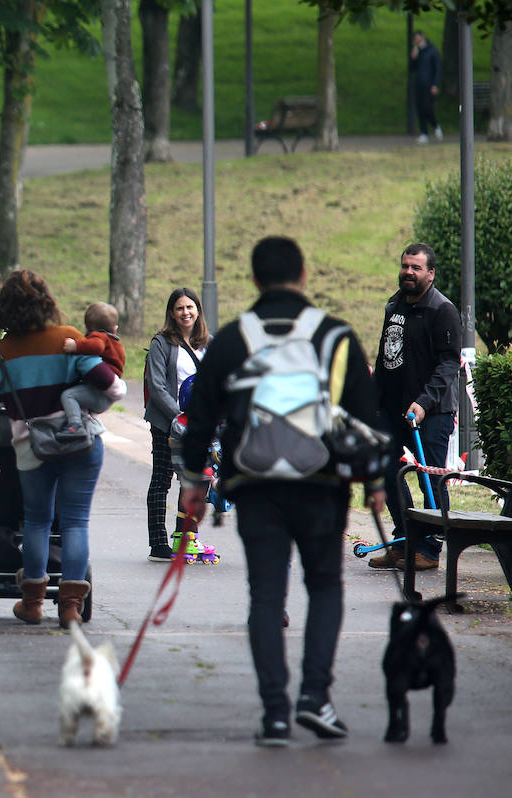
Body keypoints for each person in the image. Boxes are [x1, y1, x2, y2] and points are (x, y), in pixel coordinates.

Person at [179, 236, 384, 747]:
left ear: (254, 279)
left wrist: (194, 485)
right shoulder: (335, 335)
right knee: (325, 586)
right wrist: (376, 482)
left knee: (266, 597)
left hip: (255, 487)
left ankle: (274, 714)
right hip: (322, 485)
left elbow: (200, 418)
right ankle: (315, 697)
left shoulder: (232, 338)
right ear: (303, 274)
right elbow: (367, 415)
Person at [0, 270, 122, 628]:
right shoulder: (67, 338)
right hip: (79, 444)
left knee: (36, 521)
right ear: (46, 302)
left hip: (31, 447)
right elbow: (110, 385)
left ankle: (32, 603)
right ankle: (71, 608)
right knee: (75, 521)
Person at [369, 242, 461, 572]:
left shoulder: (442, 310)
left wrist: (423, 402)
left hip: (431, 413)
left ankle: (430, 550)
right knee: (386, 471)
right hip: (392, 410)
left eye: (416, 268)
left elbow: (449, 364)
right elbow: (385, 358)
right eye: (405, 266)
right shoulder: (394, 305)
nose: (409, 272)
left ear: (431, 274)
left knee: (430, 480)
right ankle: (404, 541)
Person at [143, 287, 211, 562]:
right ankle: (158, 544)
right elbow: (156, 386)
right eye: (180, 308)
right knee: (162, 480)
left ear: (198, 310)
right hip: (166, 423)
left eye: (190, 307)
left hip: (200, 424)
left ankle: (185, 538)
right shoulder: (161, 343)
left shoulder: (207, 343)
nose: (185, 313)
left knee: (196, 479)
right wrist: (178, 418)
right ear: (172, 313)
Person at [58, 302, 126, 439]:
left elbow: (97, 346)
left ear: (86, 327)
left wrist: (75, 345)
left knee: (68, 395)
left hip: (101, 392)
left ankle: (75, 425)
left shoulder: (100, 337)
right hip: (107, 392)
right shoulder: (116, 343)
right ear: (115, 329)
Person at [410, 30, 443, 145]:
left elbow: (437, 68)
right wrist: (413, 58)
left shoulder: (432, 50)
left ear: (422, 37)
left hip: (429, 85)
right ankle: (424, 133)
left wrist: (435, 84)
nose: (416, 41)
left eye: (417, 38)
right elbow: (412, 69)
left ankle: (435, 125)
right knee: (420, 108)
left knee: (427, 107)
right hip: (419, 84)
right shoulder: (417, 51)